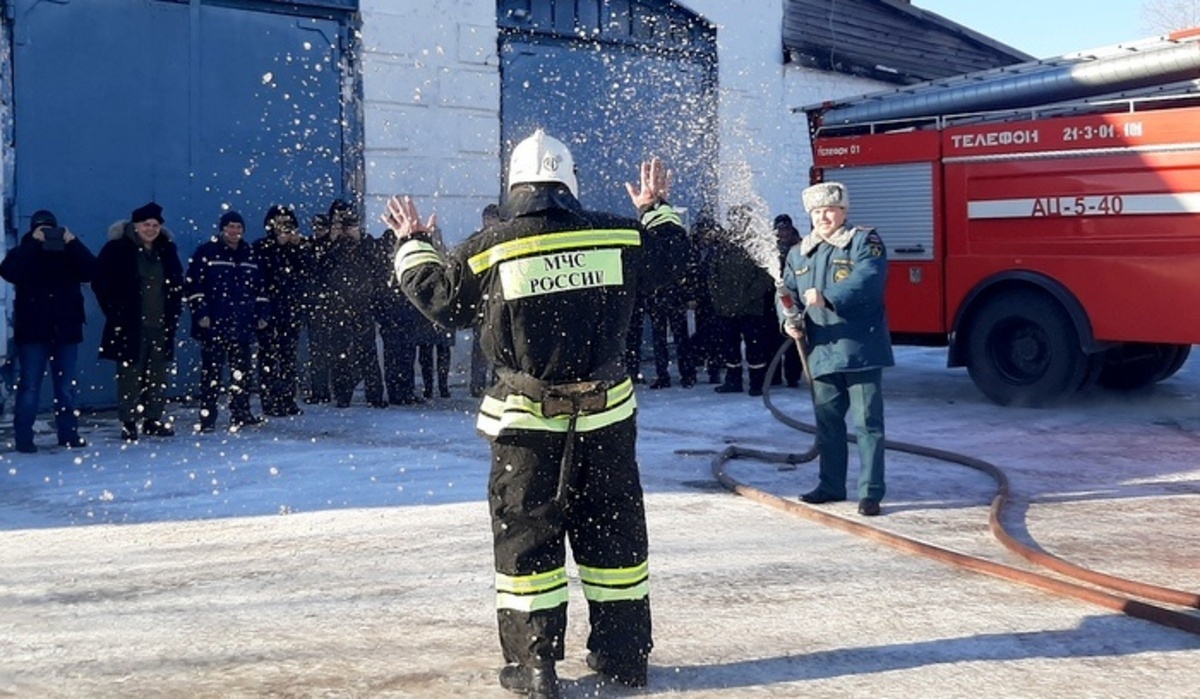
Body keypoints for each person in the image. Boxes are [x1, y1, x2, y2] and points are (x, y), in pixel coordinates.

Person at [382, 129, 689, 698]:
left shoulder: (489, 246)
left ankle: (536, 666)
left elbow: (441, 301)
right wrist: (656, 209)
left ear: (515, 184)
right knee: (615, 542)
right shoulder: (619, 234)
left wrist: (413, 242)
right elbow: (673, 262)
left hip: (527, 427)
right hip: (607, 421)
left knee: (528, 543)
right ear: (569, 182)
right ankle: (623, 658)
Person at [779, 182, 894, 517]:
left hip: (860, 349)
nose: (823, 217)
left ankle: (870, 493)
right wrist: (787, 319)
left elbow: (869, 278)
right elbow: (785, 291)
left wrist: (829, 296)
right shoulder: (799, 252)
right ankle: (830, 485)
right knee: (828, 424)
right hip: (821, 352)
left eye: (829, 210)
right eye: (816, 212)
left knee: (867, 424)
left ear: (843, 211)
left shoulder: (863, 241)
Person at [0, 209, 96, 452]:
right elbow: (10, 272)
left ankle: (68, 434)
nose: (47, 234)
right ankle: (24, 438)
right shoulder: (24, 253)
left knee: (65, 387)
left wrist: (73, 242)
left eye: (50, 229)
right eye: (41, 229)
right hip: (34, 331)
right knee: (30, 386)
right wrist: (33, 243)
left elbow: (92, 270)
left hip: (66, 331)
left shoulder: (69, 254)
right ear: (32, 230)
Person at [93, 202, 185, 442]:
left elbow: (176, 282)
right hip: (130, 325)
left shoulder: (167, 249)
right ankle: (129, 421)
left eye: (155, 225)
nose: (151, 229)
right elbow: (100, 282)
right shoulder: (117, 249)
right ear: (135, 226)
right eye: (147, 225)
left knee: (158, 375)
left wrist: (173, 311)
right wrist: (115, 312)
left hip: (161, 324)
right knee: (129, 376)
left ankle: (153, 419)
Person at [185, 210, 270, 432]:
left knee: (241, 373)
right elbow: (194, 285)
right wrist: (201, 312)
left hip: (242, 325)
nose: (235, 232)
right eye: (231, 227)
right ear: (223, 229)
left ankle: (241, 412)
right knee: (211, 374)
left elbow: (260, 288)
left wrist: (262, 314)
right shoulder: (207, 252)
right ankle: (207, 417)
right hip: (214, 325)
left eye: (239, 228)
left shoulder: (250, 255)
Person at [321, 200, 386, 408]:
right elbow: (318, 269)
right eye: (340, 221)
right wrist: (330, 241)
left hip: (362, 305)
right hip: (336, 306)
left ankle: (374, 395)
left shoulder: (365, 242)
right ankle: (342, 396)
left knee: (367, 352)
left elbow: (379, 264)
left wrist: (359, 240)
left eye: (348, 221)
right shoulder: (327, 244)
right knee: (339, 354)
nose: (345, 227)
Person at [707, 204, 776, 396]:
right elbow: (713, 274)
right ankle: (733, 381)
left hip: (751, 308)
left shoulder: (757, 243)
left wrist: (745, 298)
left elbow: (764, 277)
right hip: (726, 308)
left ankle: (757, 383)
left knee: (755, 347)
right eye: (734, 219)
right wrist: (719, 299)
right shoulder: (724, 244)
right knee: (730, 347)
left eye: (741, 218)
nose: (737, 222)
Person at [253, 205, 313, 417]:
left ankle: (287, 399)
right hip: (269, 310)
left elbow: (309, 272)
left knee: (288, 357)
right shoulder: (261, 247)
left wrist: (298, 248)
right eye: (279, 222)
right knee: (269, 356)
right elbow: (261, 275)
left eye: (288, 223)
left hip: (292, 310)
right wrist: (277, 246)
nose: (283, 228)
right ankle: (269, 401)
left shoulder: (299, 247)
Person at [469, 203, 502, 397]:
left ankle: (497, 383)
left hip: (498, 299)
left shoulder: (505, 239)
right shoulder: (477, 241)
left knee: (499, 346)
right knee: (481, 346)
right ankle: (477, 385)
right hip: (483, 301)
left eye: (493, 219)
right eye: (487, 219)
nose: (489, 223)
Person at [771, 213, 804, 389]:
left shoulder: (799, 247)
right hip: (772, 300)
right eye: (779, 229)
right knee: (773, 341)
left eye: (785, 229)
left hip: (792, 298)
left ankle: (793, 376)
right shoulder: (770, 247)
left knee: (793, 342)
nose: (782, 233)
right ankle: (775, 375)